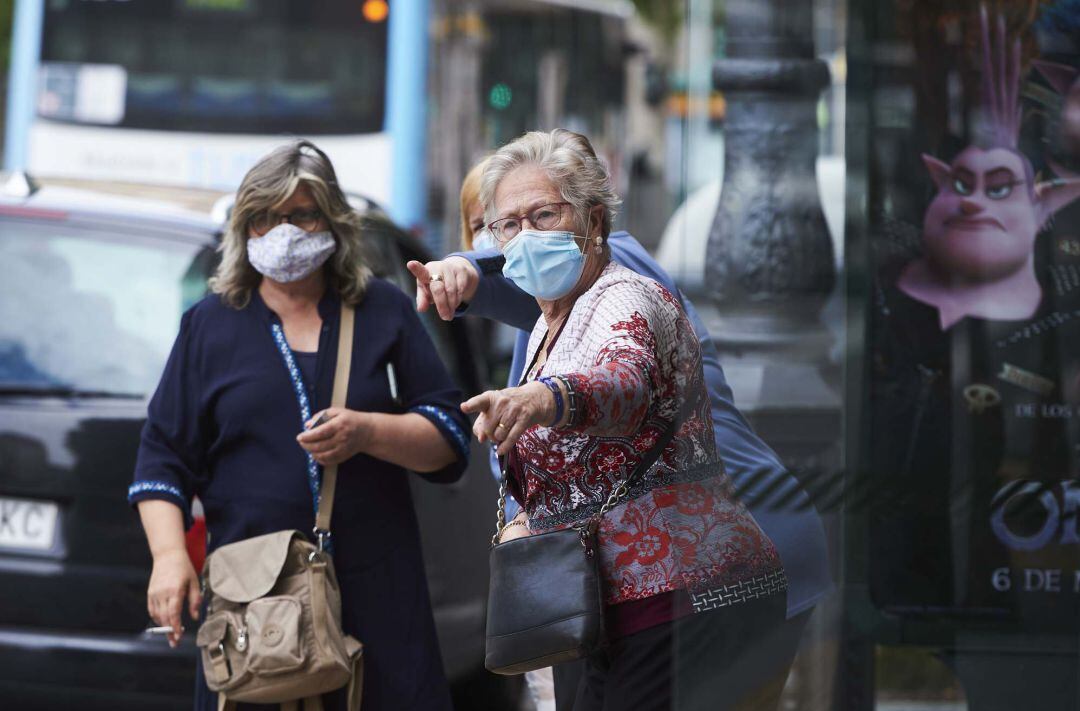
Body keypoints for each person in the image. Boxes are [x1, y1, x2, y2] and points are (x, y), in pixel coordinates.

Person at [412, 161, 832, 707]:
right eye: (504, 227)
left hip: (689, 588)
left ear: (593, 221)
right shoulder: (548, 319)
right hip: (601, 599)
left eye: (545, 214)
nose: (526, 239)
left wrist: (544, 398)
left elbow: (621, 381)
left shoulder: (624, 291)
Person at [128, 140, 470, 711]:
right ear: (245, 230)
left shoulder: (382, 309)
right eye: (263, 218)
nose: (282, 231)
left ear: (332, 221)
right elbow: (161, 458)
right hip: (253, 603)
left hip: (376, 594)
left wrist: (368, 432)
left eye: (301, 214)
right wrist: (169, 559)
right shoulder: (210, 326)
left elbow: (449, 441)